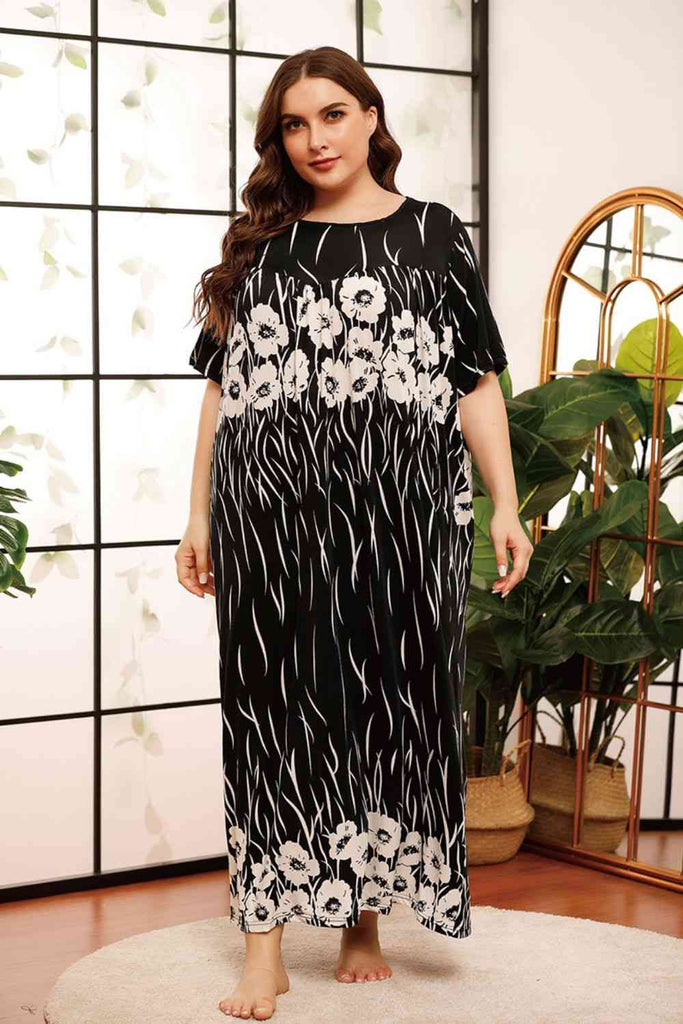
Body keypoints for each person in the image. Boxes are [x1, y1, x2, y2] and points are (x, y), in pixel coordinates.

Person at [176, 44, 531, 1022]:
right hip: (272, 513)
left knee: (383, 703)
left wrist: (504, 503)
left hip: (402, 515)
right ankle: (263, 947)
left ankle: (361, 923)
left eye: (331, 114)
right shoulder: (264, 245)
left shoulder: (433, 233)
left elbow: (474, 377)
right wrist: (199, 514)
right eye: (293, 124)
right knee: (272, 710)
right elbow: (221, 390)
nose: (314, 139)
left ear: (370, 117)